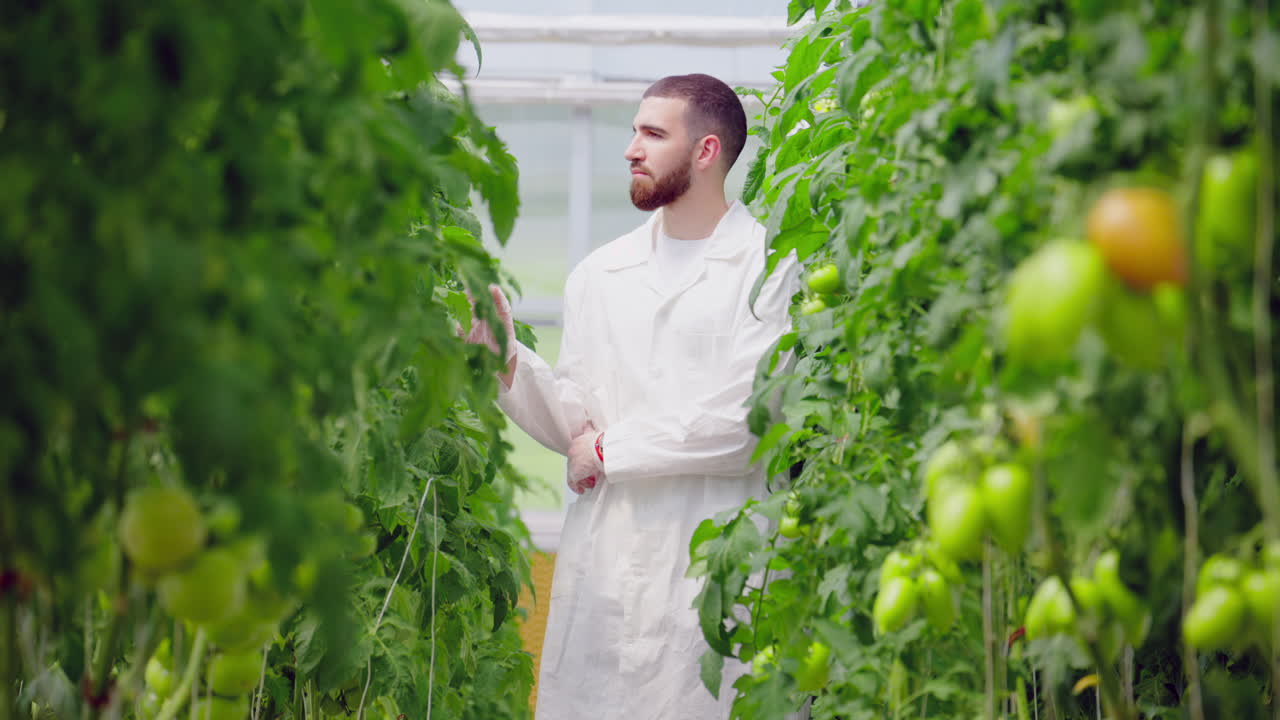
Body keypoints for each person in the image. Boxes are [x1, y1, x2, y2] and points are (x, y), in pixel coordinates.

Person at [462, 73, 803, 719]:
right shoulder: (601, 273)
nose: (630, 148)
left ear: (706, 152)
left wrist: (610, 450)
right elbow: (578, 427)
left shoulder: (769, 266)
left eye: (652, 133)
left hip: (716, 574)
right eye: (632, 131)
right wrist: (505, 364)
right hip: (610, 575)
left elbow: (749, 422)